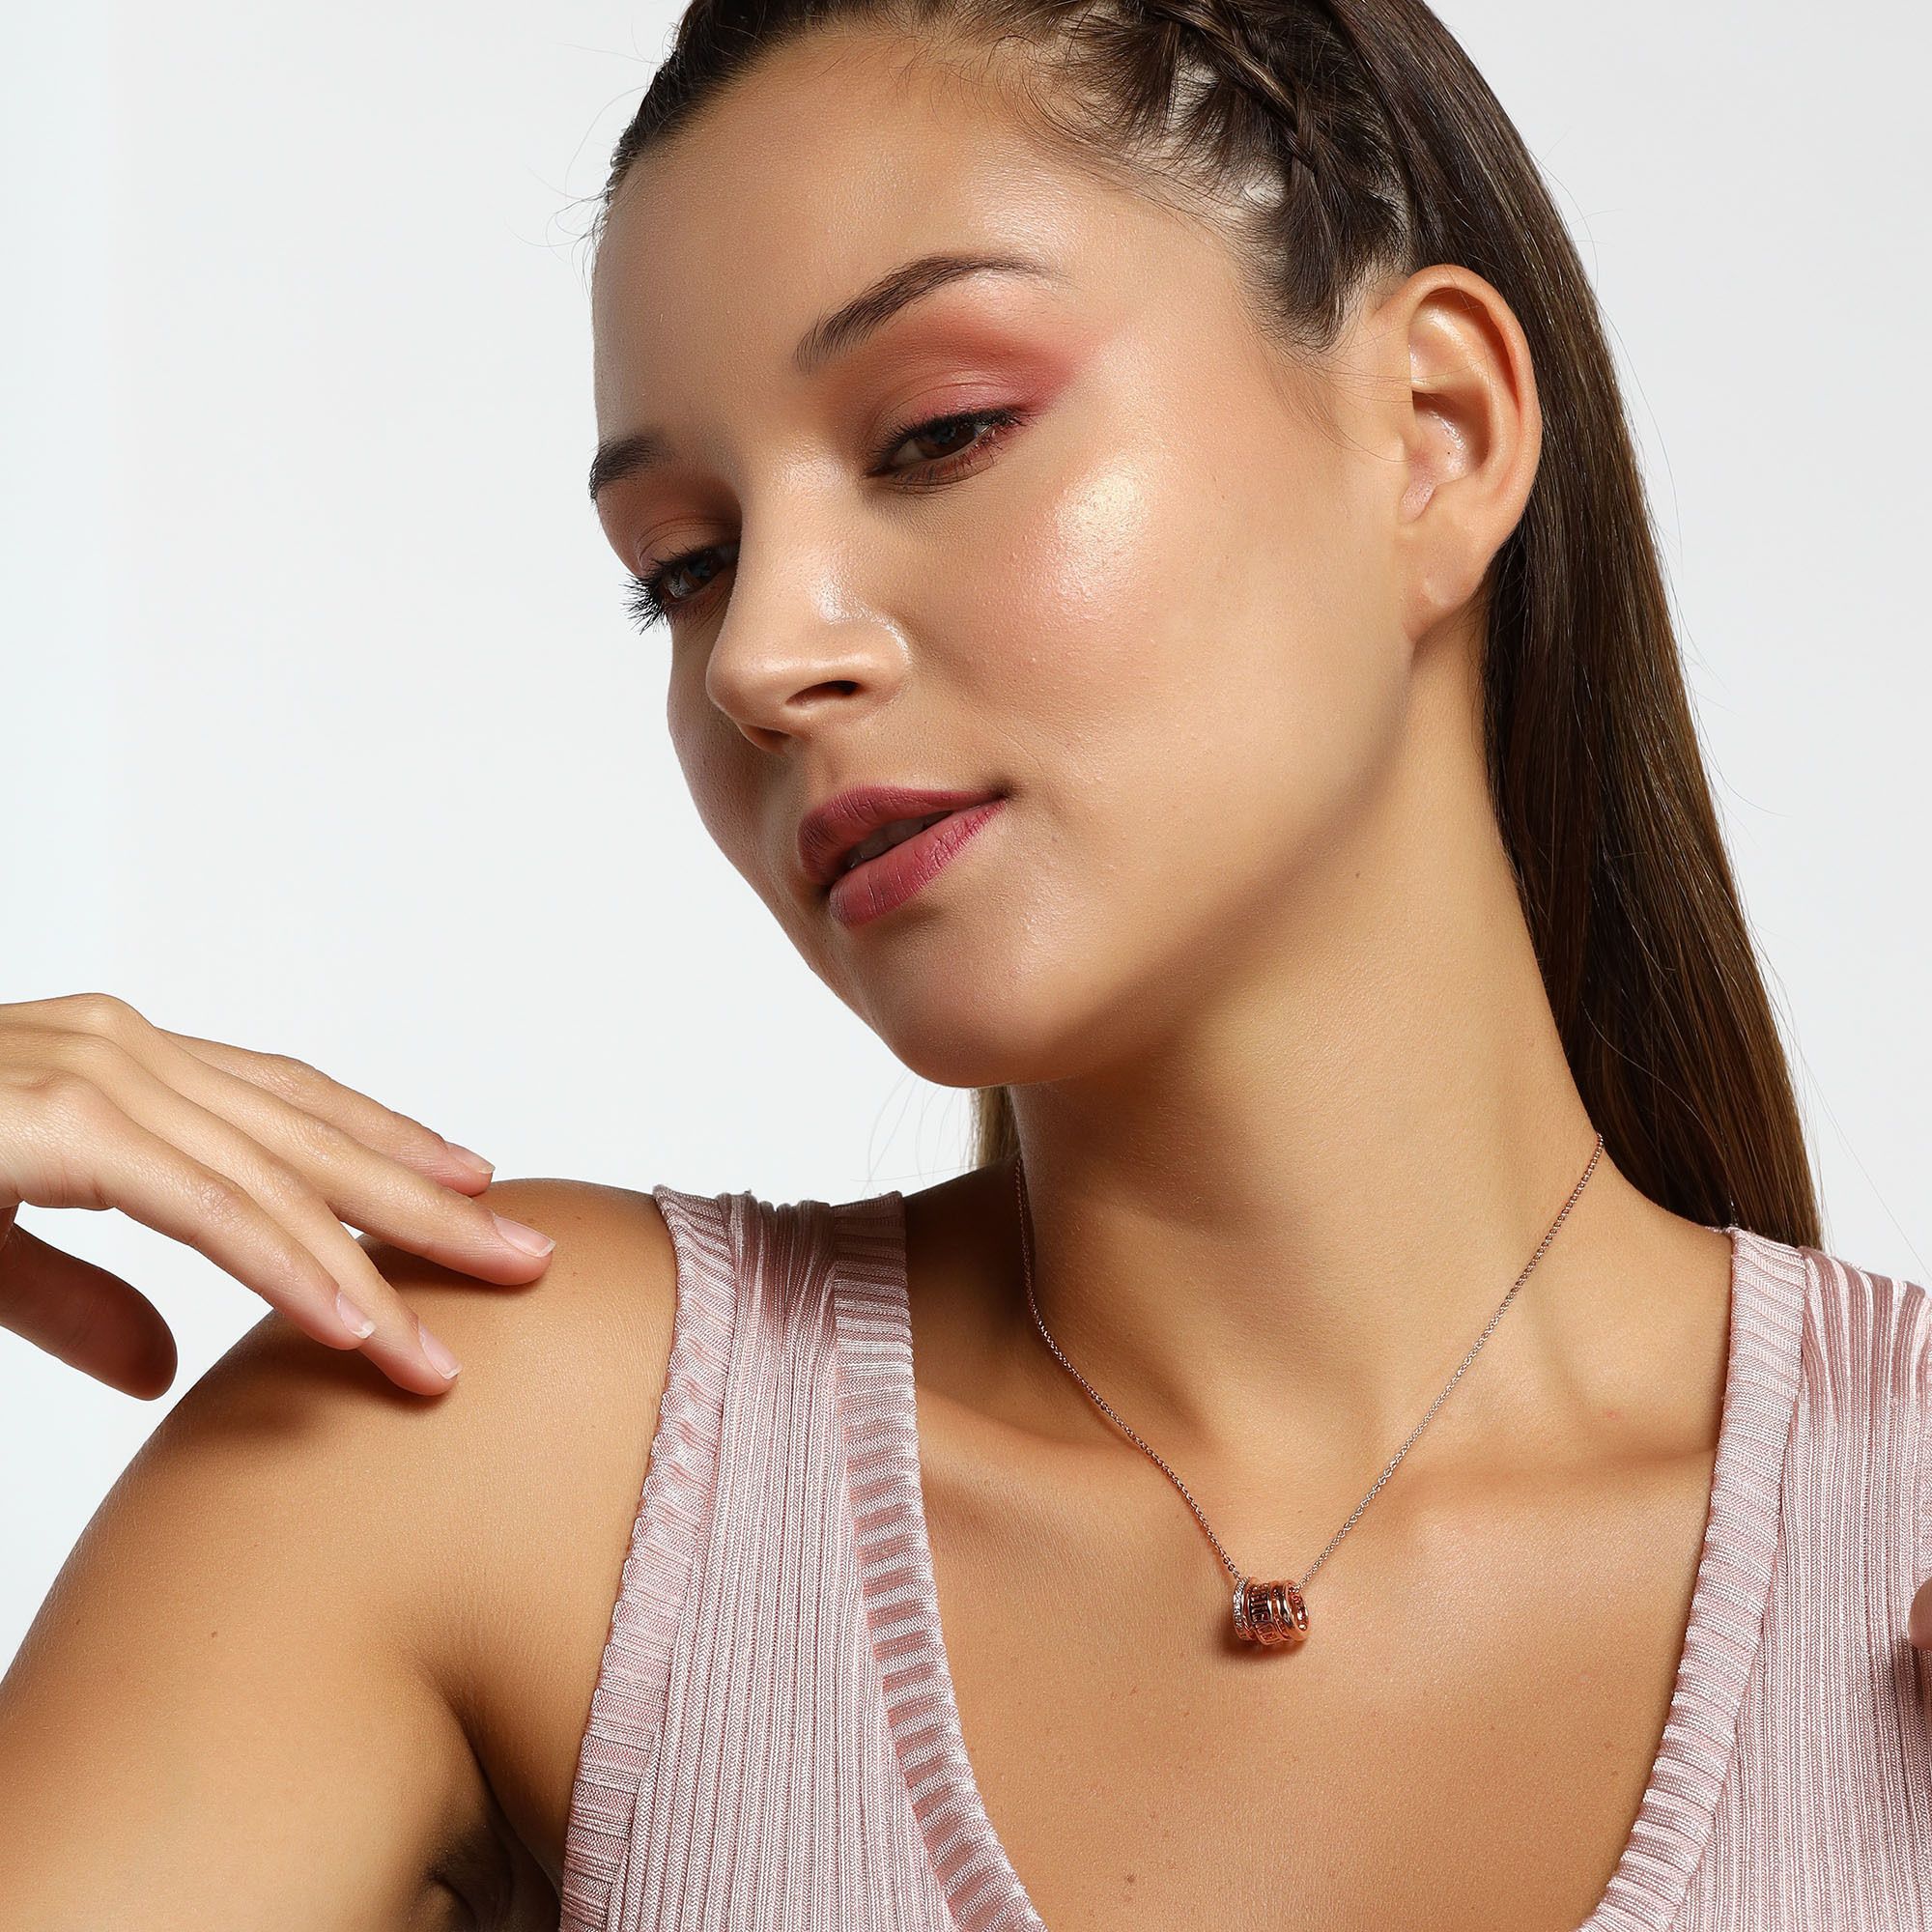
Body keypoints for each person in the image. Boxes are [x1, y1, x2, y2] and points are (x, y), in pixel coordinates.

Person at [2, 0, 1928, 1924]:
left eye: (940, 435)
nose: (763, 656)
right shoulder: (484, 1460)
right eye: (683, 566)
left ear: (1433, 435)